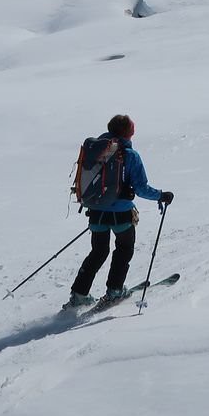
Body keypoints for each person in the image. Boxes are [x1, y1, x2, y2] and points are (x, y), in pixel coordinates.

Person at [66, 115, 173, 307]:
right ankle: (115, 290)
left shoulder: (97, 150)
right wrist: (161, 196)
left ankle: (79, 294)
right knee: (124, 249)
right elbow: (141, 188)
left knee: (98, 251)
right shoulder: (130, 155)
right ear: (128, 132)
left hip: (96, 210)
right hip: (121, 213)